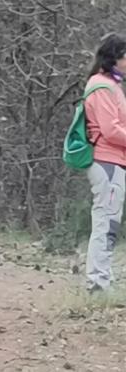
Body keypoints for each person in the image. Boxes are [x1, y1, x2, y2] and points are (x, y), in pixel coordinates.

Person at [81, 34, 126, 293]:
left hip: (114, 161)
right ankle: (98, 283)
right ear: (114, 58)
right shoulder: (102, 86)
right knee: (105, 223)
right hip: (106, 160)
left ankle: (101, 280)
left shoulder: (111, 86)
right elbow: (111, 130)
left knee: (109, 222)